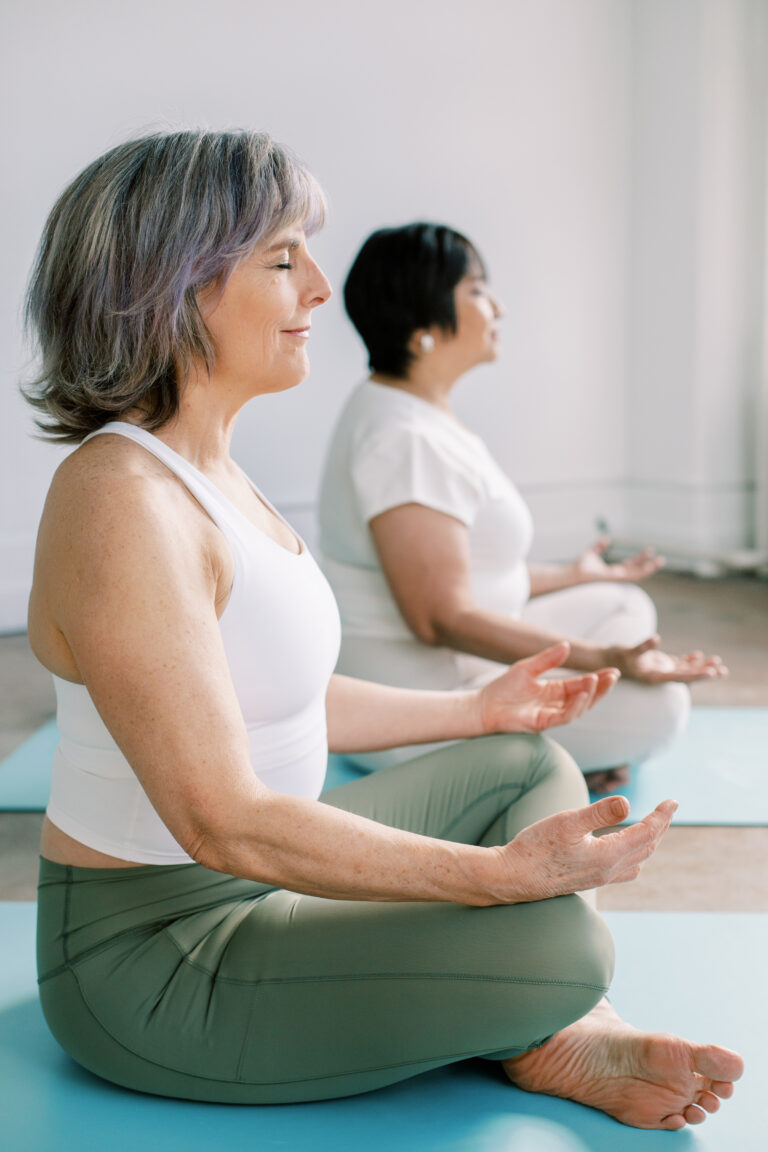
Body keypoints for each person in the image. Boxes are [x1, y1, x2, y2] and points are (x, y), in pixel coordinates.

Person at [24, 131, 741, 1128]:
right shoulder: (118, 499)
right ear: (173, 287)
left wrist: (473, 707)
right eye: (283, 260)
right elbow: (219, 817)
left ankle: (538, 1024)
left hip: (258, 887)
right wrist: (492, 881)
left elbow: (276, 700)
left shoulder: (210, 474)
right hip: (161, 963)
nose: (320, 288)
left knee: (522, 767)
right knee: (563, 952)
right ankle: (553, 1026)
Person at [317, 223, 727, 788]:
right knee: (660, 709)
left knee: (619, 601)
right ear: (422, 320)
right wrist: (604, 655)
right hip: (422, 710)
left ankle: (570, 743)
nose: (499, 308)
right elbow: (441, 618)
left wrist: (572, 576)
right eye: (478, 290)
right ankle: (528, 754)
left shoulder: (409, 411)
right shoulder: (406, 442)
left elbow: (468, 572)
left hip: (460, 666)